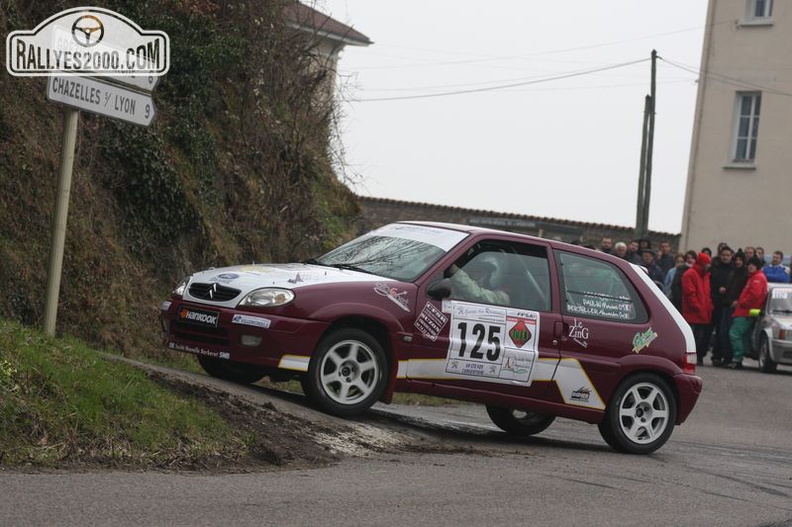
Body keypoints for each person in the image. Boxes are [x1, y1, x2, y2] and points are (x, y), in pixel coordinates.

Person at [728, 256, 769, 369]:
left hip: (746, 311)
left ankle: (737, 358)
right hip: (747, 311)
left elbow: (754, 295)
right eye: (749, 264)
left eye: (753, 265)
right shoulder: (755, 277)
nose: (750, 266)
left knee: (734, 334)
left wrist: (741, 302)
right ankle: (739, 358)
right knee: (744, 336)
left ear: (757, 266)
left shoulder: (757, 278)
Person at [682, 252, 713, 365]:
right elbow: (690, 294)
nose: (708, 266)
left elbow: (706, 294)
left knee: (697, 339)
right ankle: (688, 360)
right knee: (692, 339)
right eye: (707, 263)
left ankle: (693, 359)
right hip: (693, 313)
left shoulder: (704, 276)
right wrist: (698, 308)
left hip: (701, 313)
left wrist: (708, 308)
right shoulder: (691, 274)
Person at [721, 250, 748, 366]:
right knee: (724, 332)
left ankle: (733, 358)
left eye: (740, 260)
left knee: (733, 334)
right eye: (736, 259)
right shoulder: (732, 273)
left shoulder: (746, 274)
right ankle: (726, 357)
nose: (738, 262)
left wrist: (738, 301)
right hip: (727, 304)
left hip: (736, 307)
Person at [709, 246, 734, 365]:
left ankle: (718, 355)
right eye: (723, 255)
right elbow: (709, 283)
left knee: (721, 331)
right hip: (713, 301)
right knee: (708, 330)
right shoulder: (714, 268)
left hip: (725, 304)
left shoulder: (733, 270)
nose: (725, 257)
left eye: (728, 255)